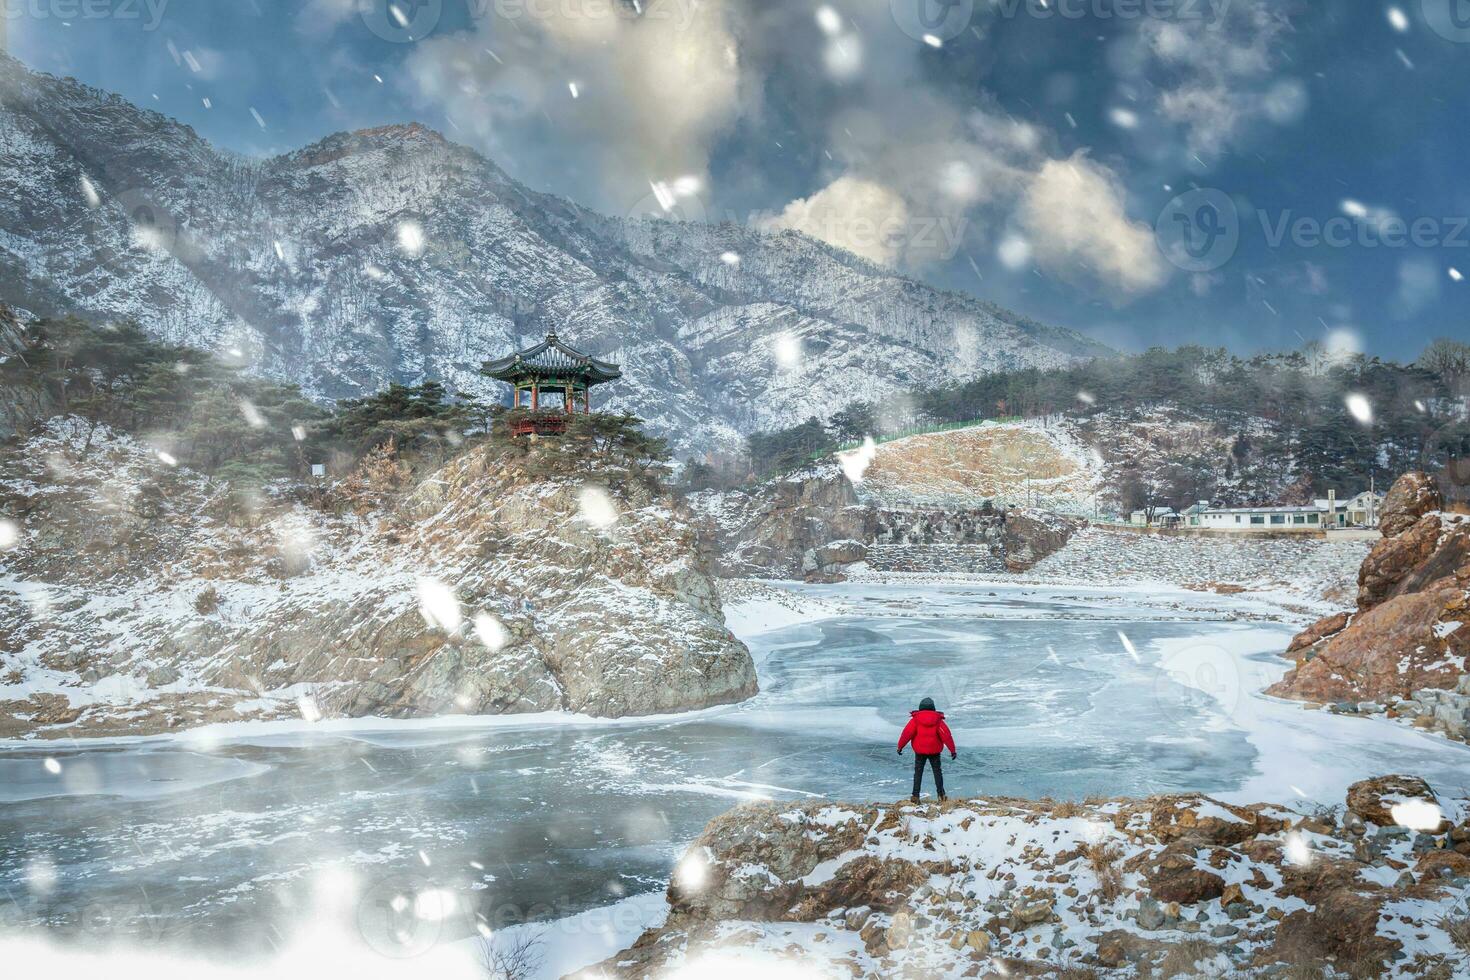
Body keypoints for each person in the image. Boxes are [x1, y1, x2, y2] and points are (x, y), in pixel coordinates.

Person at [896, 696, 956, 802]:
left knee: (918, 773)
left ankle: (915, 797)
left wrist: (900, 747)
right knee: (937, 772)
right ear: (933, 708)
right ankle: (941, 796)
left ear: (920, 708)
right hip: (935, 751)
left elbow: (907, 734)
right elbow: (946, 735)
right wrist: (952, 750)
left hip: (920, 751)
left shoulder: (915, 720)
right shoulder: (938, 720)